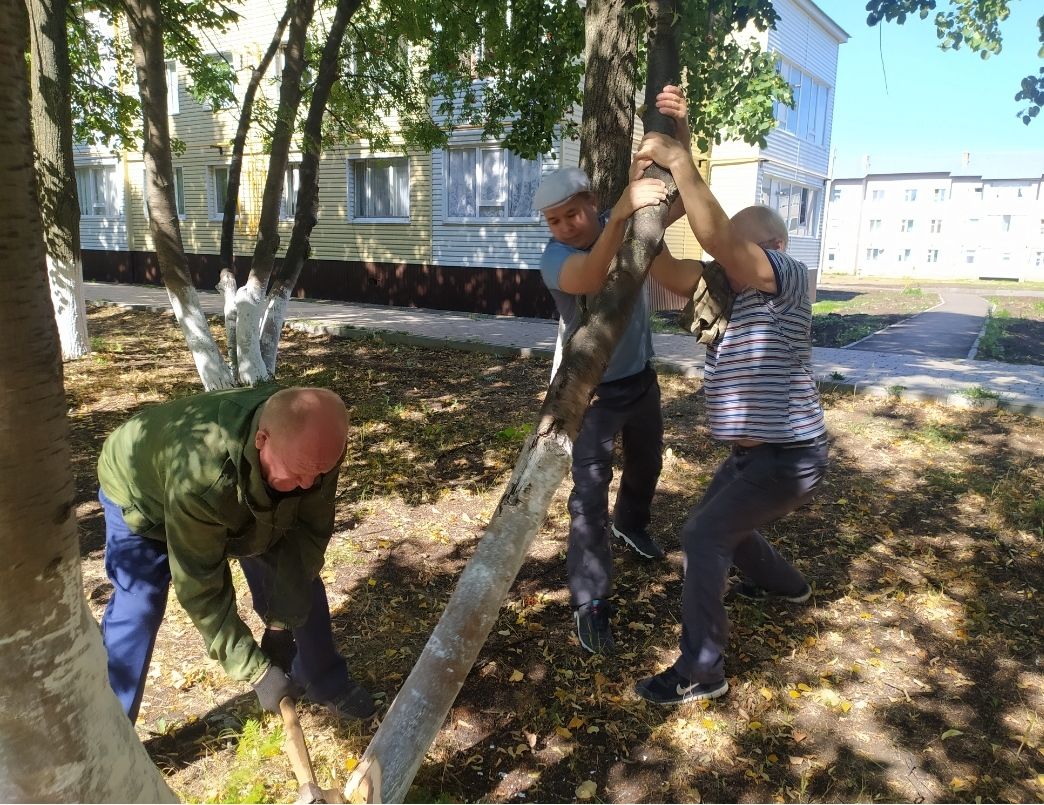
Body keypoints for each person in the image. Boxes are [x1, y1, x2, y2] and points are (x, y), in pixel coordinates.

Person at [629, 103, 829, 705]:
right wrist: (652, 209)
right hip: (753, 457)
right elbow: (661, 263)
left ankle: (702, 669)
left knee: (703, 536)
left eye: (736, 254)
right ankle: (787, 587)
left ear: (772, 245)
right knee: (728, 527)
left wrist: (680, 158)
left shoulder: (787, 277)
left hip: (789, 455)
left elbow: (717, 233)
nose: (725, 265)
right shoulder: (729, 290)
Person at [96, 384, 375, 723]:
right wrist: (256, 671)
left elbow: (306, 540)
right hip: (142, 495)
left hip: (239, 483)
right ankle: (109, 727)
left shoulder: (313, 449)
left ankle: (325, 681)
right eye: (298, 473)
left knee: (300, 577)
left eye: (316, 476)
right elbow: (201, 583)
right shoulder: (201, 476)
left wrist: (280, 625)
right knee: (140, 605)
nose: (306, 486)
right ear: (262, 440)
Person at [533, 85, 692, 655]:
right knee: (587, 493)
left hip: (641, 378)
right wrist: (622, 210)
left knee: (647, 460)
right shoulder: (555, 257)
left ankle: (634, 522)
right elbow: (593, 278)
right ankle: (590, 597)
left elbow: (684, 198)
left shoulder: (622, 217)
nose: (565, 226)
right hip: (591, 395)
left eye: (573, 213)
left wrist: (682, 134)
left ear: (591, 200)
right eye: (554, 220)